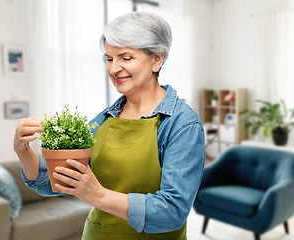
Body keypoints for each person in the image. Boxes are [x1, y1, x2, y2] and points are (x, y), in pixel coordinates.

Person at [14, 12, 205, 240]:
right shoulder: (104, 120)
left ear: (157, 59)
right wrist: (22, 150)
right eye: (109, 58)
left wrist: (97, 195)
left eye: (125, 58)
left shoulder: (182, 124)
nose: (114, 69)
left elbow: (172, 211)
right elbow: (53, 181)